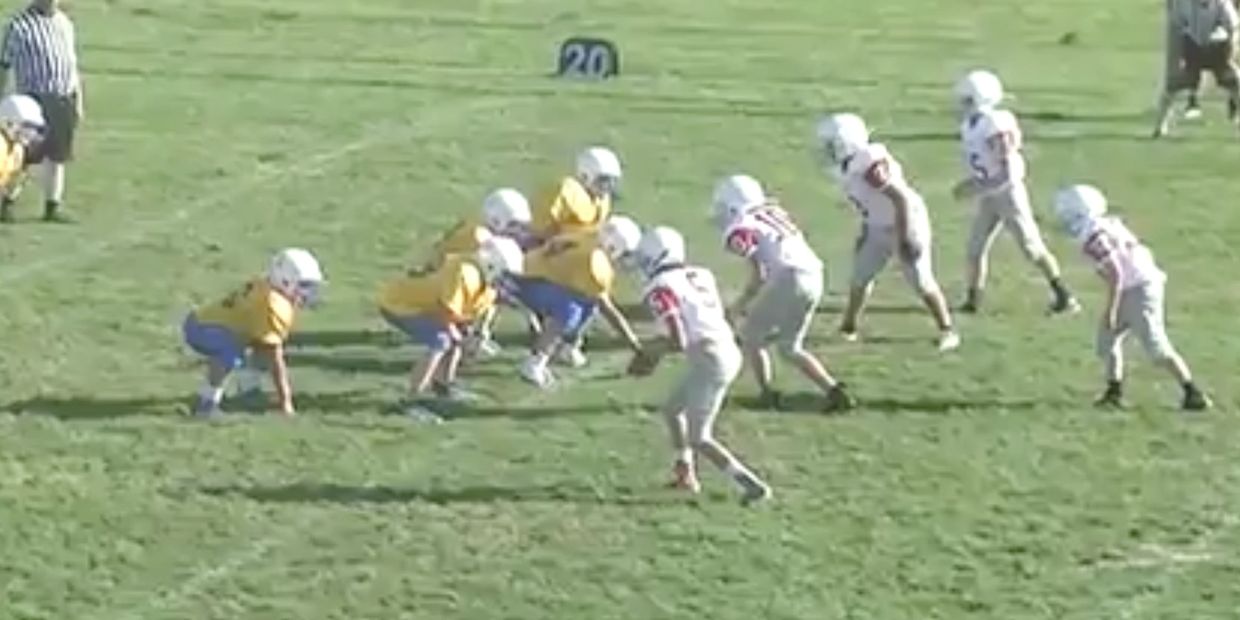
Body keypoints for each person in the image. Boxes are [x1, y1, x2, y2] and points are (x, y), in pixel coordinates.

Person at [627, 226, 771, 505]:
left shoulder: (660, 287)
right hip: (724, 348)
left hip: (711, 359)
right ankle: (685, 474)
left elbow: (678, 338)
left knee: (700, 437)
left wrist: (650, 353)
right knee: (672, 411)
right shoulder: (700, 274)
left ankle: (751, 485)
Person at [1052, 185, 1210, 411]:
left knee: (1156, 347)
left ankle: (1193, 392)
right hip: (1133, 283)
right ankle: (1114, 392)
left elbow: (1116, 274)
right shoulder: (1107, 224)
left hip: (1139, 288)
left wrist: (1112, 310)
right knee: (1106, 341)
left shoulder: (1092, 236)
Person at [815, 113, 960, 352]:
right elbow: (870, 202)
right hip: (877, 224)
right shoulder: (850, 164)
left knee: (920, 280)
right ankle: (848, 327)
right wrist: (866, 229)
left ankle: (947, 329)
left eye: (831, 144)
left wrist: (905, 237)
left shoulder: (869, 164)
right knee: (860, 276)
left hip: (905, 221)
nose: (827, 150)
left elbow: (899, 198)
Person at [710, 174, 854, 412]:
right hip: (815, 274)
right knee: (790, 347)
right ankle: (833, 390)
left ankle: (767, 394)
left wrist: (736, 309)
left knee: (750, 337)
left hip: (789, 277)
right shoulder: (773, 211)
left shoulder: (744, 225)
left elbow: (760, 275)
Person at [951, 70, 1078, 315]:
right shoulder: (971, 124)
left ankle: (1064, 295)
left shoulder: (995, 123)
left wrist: (975, 187)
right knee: (975, 248)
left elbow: (1007, 172)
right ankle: (973, 299)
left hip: (1008, 193)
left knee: (1031, 248)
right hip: (989, 193)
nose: (962, 105)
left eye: (967, 99)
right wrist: (975, 184)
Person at [378, 236, 524, 422]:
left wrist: (470, 334)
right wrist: (460, 335)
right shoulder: (465, 272)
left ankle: (443, 385)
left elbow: (466, 313)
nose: (505, 279)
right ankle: (411, 401)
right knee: (442, 341)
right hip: (400, 303)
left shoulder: (481, 279)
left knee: (455, 338)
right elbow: (447, 310)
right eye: (504, 273)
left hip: (428, 306)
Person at [182, 248, 325, 418]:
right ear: (284, 280)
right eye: (304, 285)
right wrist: (285, 402)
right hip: (203, 329)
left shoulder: (267, 287)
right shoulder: (272, 304)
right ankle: (206, 404)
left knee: (256, 342)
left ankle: (248, 388)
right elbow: (276, 360)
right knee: (231, 352)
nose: (308, 292)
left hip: (204, 322)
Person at [510, 215, 644, 388]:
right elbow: (608, 310)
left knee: (585, 300)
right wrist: (634, 343)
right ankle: (535, 362)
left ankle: (567, 347)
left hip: (533, 272)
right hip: (525, 281)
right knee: (569, 310)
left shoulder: (589, 236)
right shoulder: (593, 261)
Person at [415, 187, 533, 358]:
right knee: (489, 291)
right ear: (497, 219)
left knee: (492, 290)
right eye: (513, 225)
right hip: (442, 280)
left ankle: (477, 337)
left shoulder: (478, 226)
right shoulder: (479, 237)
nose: (518, 231)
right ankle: (469, 339)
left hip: (443, 273)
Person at [0, 0, 82, 222]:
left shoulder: (64, 23)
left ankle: (52, 206)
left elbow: (71, 64)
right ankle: (6, 202)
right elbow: (4, 64)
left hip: (63, 97)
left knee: (58, 155)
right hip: (32, 100)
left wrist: (78, 99)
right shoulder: (18, 26)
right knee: (23, 156)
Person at [1155, 0, 1240, 137]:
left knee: (1235, 82)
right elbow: (1178, 26)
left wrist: (1228, 54)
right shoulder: (1184, 5)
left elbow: (1232, 29)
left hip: (1217, 50)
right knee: (1172, 84)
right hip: (1194, 49)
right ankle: (1160, 126)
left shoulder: (1221, 4)